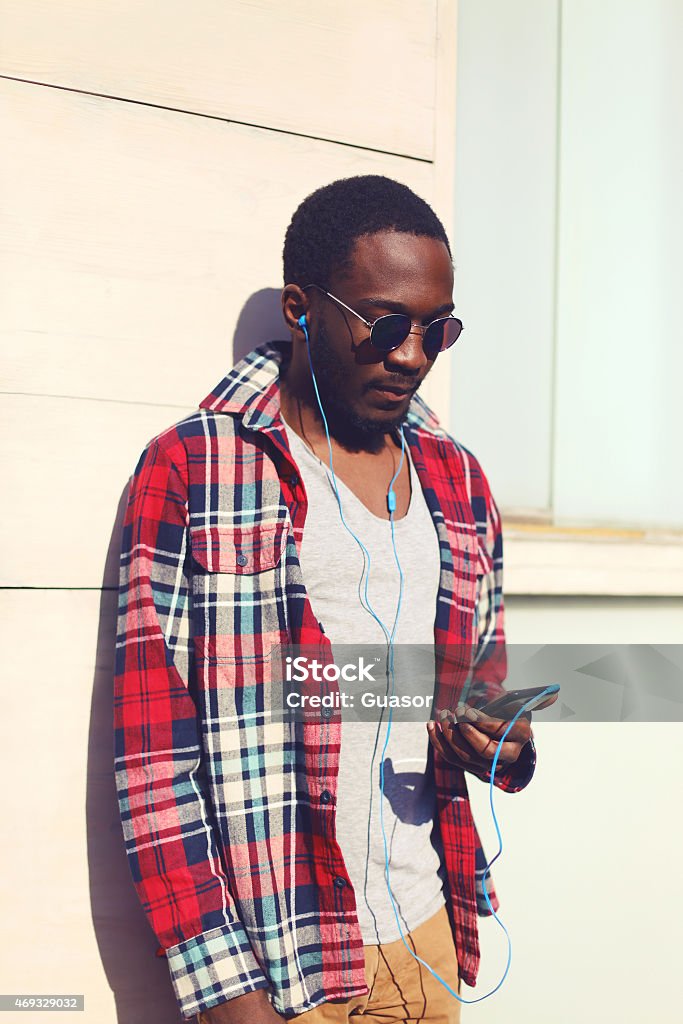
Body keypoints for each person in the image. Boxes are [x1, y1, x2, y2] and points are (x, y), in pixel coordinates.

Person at [113, 175, 556, 1023]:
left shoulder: (458, 481)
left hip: (427, 935)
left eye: (438, 330)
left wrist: (504, 740)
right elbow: (153, 766)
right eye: (385, 323)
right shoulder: (195, 470)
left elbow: (479, 692)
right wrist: (228, 998)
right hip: (278, 965)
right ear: (299, 307)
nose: (411, 354)